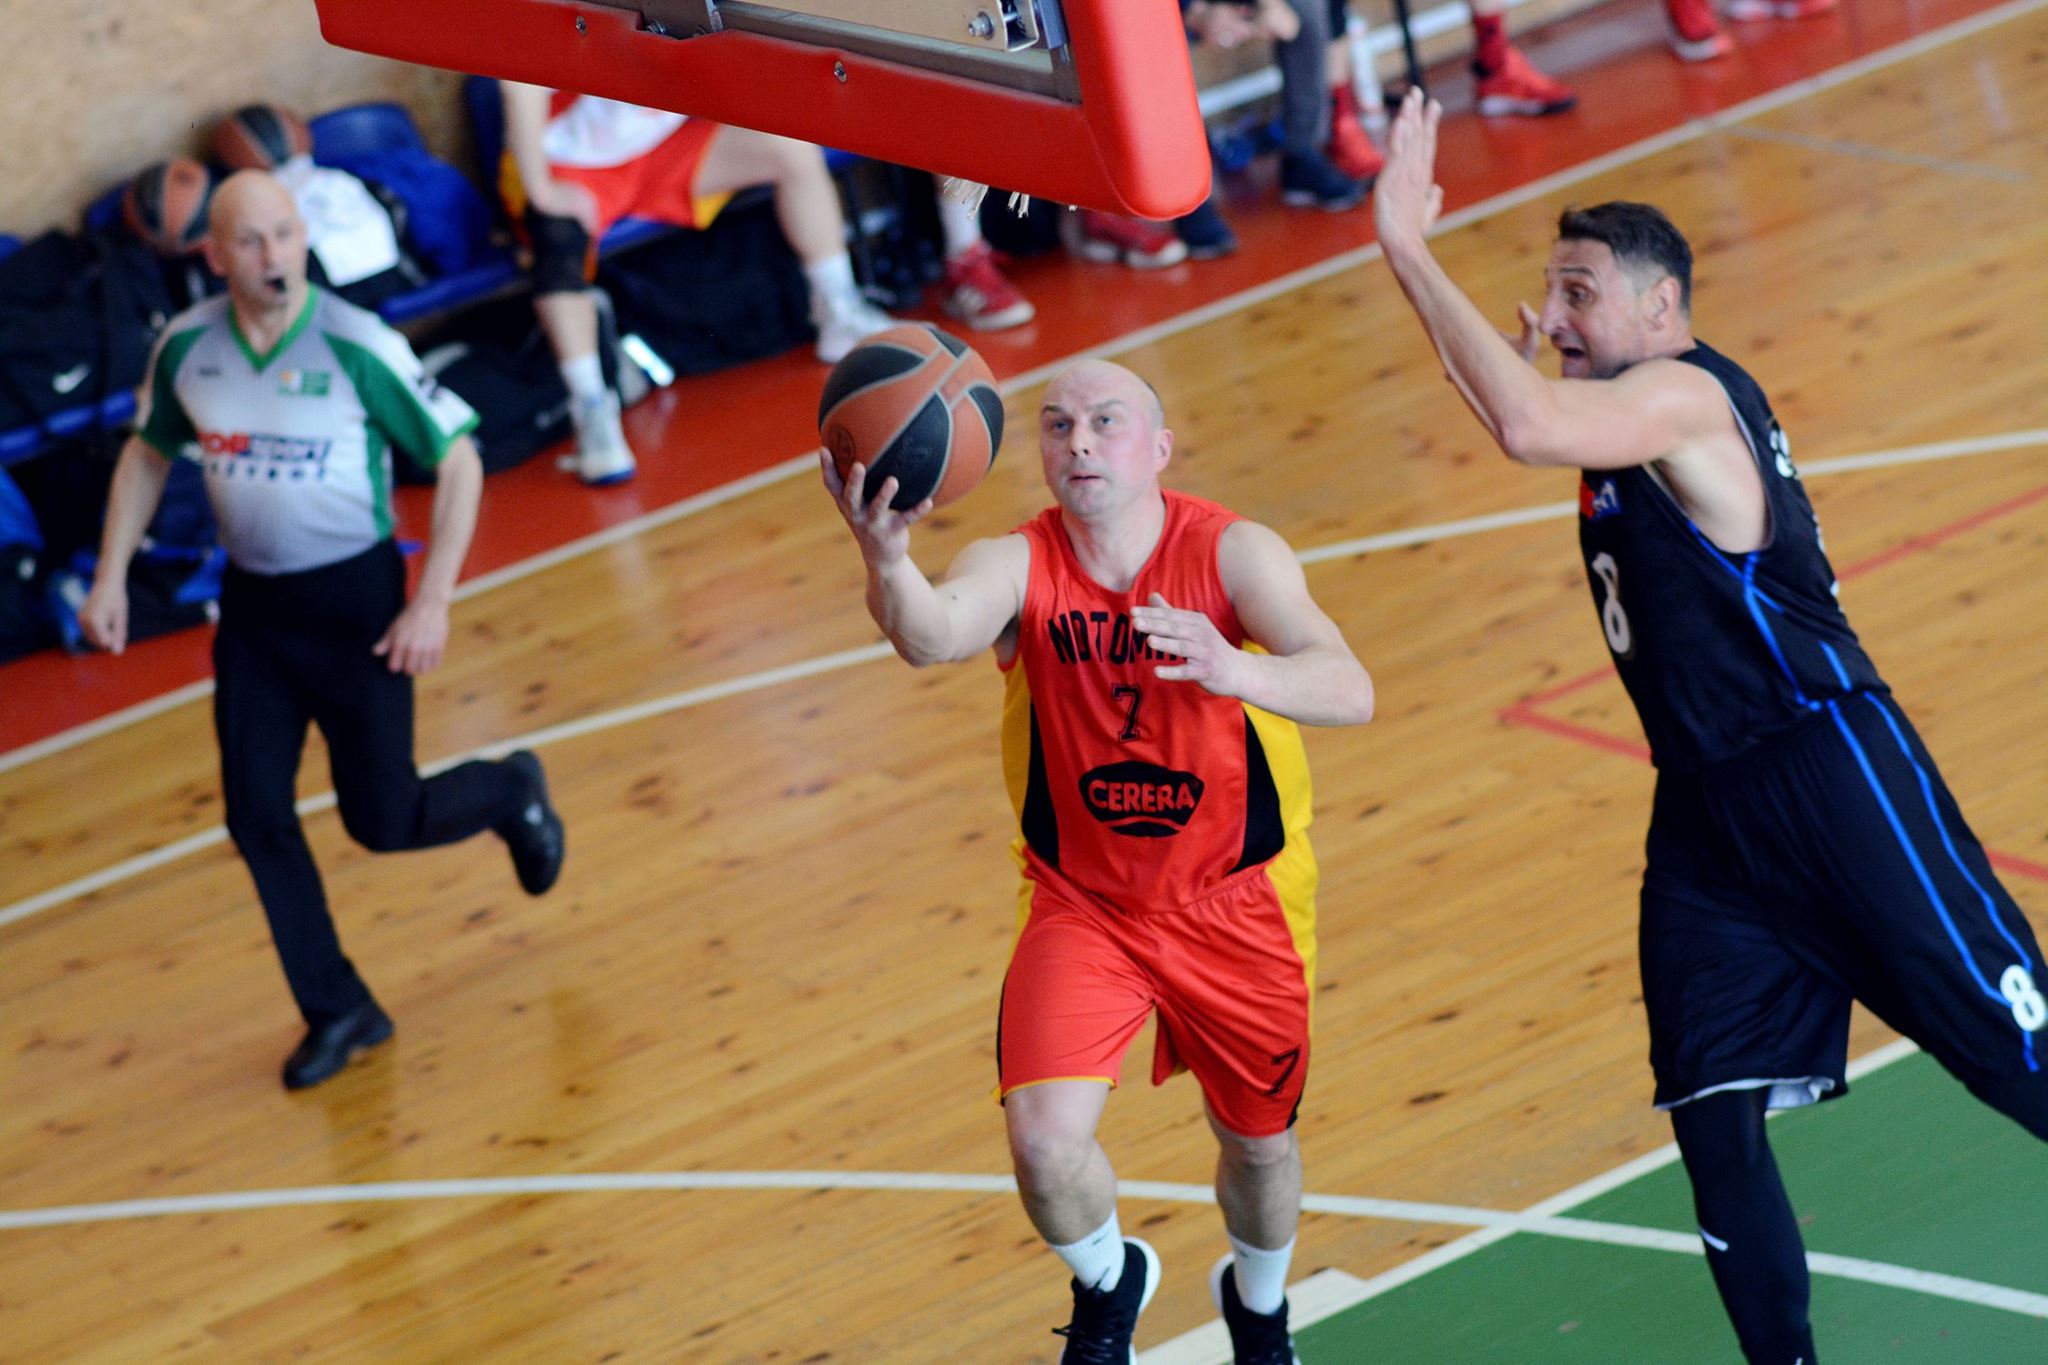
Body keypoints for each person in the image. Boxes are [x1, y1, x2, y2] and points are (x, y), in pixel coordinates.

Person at [1372, 90, 2046, 1363]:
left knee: (2014, 1052)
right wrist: (1489, 345)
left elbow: (1521, 422)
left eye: (1577, 293)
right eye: (1550, 293)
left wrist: (1405, 245)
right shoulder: (1623, 413)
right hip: (1703, 808)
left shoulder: (1682, 396)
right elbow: (1513, 408)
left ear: (1659, 306)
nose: (1552, 316)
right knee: (1709, 1107)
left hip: (1825, 765)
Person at [824, 359, 1375, 1363]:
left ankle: (1258, 1310)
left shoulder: (1233, 552)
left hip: (1236, 904)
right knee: (1042, 1144)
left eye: (1105, 421)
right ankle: (1111, 1280)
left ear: (1157, 449)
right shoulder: (1018, 562)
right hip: (1084, 907)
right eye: (1056, 424)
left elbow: (1350, 688)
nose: (1078, 440)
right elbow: (932, 637)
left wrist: (1232, 667)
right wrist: (886, 558)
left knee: (1259, 1148)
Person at [80, 171, 568, 1092]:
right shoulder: (187, 347)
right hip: (256, 617)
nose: (274, 256)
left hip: (357, 608)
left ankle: (511, 791)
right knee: (255, 814)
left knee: (384, 820)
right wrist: (110, 577)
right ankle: (339, 1006)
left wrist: (432, 600)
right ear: (213, 255)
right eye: (251, 241)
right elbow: (147, 455)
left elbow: (459, 459)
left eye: (285, 234)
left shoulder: (356, 342)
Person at [499, 83, 897, 485]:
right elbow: (518, 87)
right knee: (558, 237)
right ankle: (591, 409)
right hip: (567, 156)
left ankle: (838, 310)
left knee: (789, 148)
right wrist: (540, 189)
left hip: (660, 147)